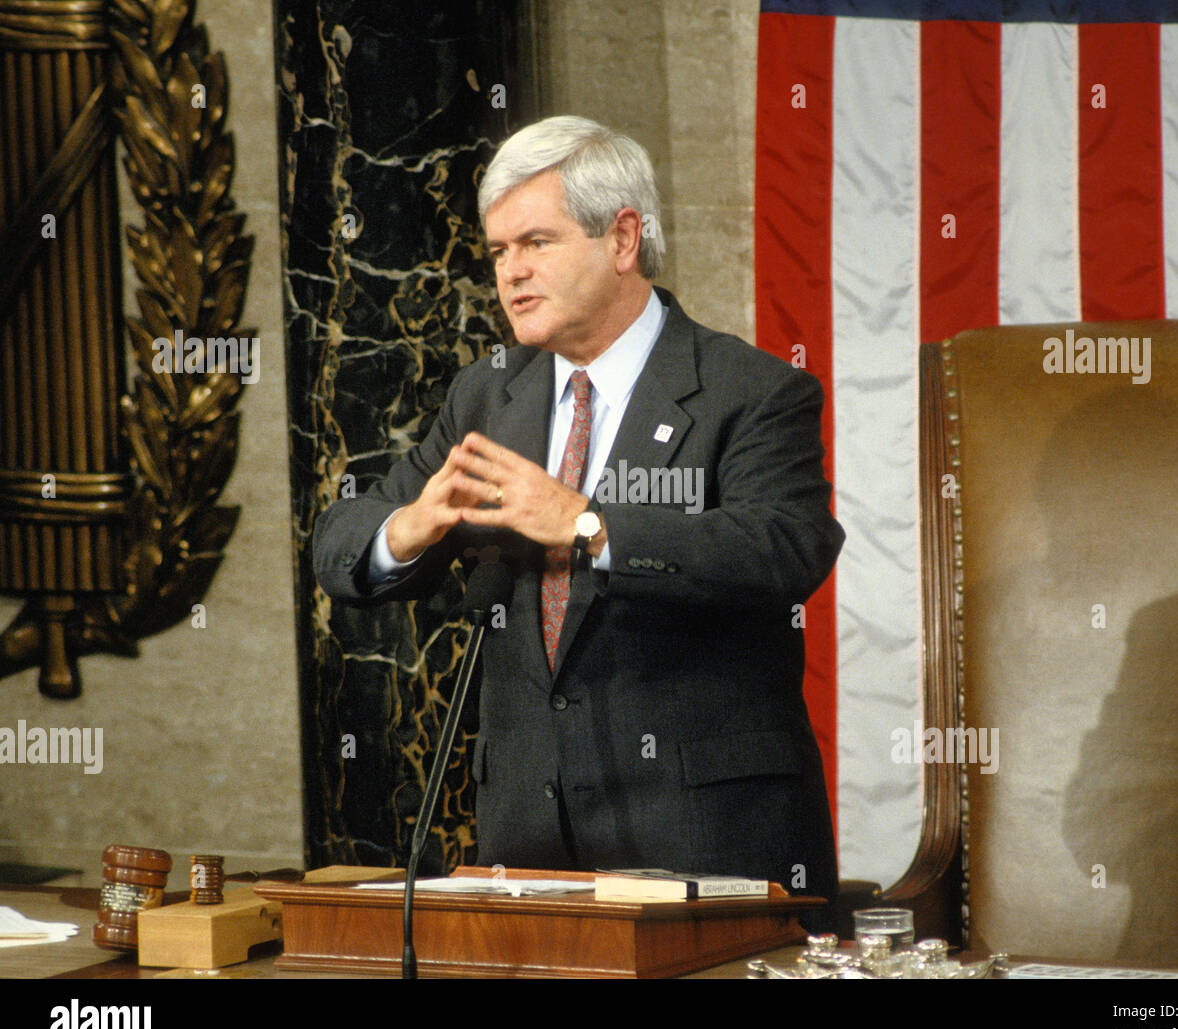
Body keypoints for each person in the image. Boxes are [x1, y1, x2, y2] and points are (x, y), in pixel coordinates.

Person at [312, 116, 844, 915]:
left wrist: (591, 527)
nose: (510, 274)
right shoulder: (487, 397)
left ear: (622, 238)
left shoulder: (750, 392)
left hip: (707, 842)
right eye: (497, 253)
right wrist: (408, 528)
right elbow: (338, 541)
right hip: (529, 847)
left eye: (536, 243)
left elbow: (784, 549)